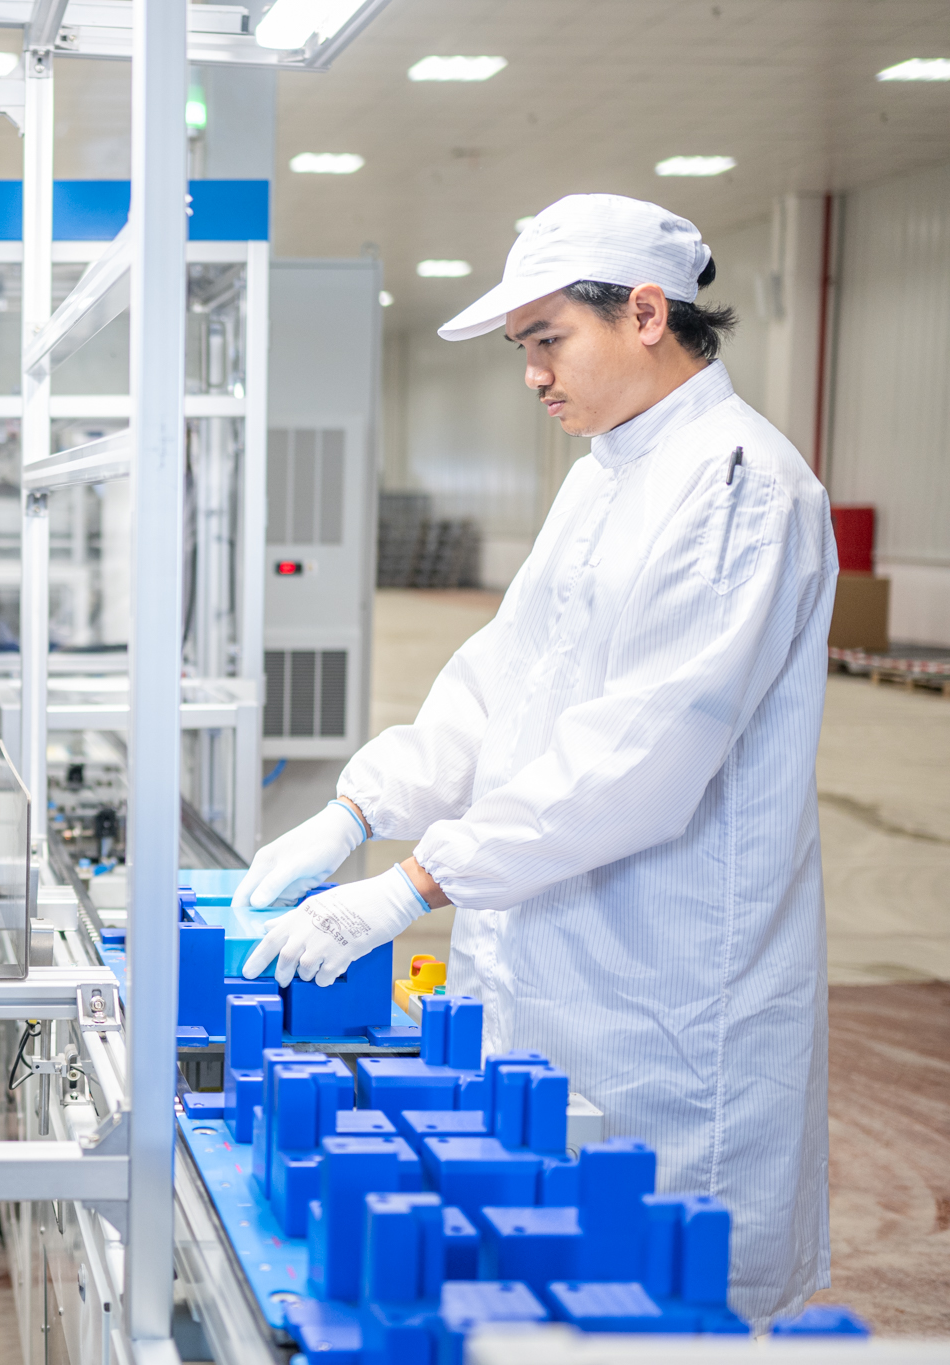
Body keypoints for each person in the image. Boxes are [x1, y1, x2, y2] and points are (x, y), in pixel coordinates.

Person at [233, 195, 835, 1324]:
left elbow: (637, 758)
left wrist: (413, 885)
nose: (532, 375)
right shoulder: (602, 474)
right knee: (531, 1280)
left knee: (655, 1296)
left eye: (547, 339)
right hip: (548, 964)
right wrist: (357, 809)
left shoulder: (737, 488)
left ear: (645, 313)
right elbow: (502, 685)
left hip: (660, 993)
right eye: (522, 348)